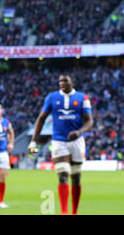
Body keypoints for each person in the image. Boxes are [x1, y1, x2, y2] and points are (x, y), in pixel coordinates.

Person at [28, 75, 93, 215]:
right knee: (63, 174)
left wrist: (79, 132)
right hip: (58, 141)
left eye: (65, 81)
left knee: (76, 178)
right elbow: (41, 119)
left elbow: (89, 121)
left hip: (77, 141)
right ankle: (64, 212)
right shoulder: (52, 97)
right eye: (60, 81)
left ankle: (74, 212)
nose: (62, 83)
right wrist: (33, 141)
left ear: (72, 82)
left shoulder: (83, 98)